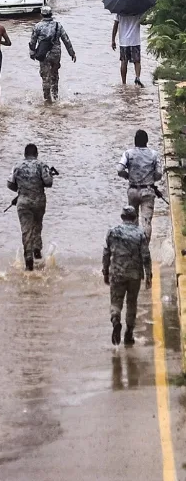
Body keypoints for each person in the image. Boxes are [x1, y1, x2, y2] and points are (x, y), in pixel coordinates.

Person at [103, 205, 151, 346]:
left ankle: (116, 320)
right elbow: (146, 256)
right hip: (134, 275)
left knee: (116, 302)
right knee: (132, 303)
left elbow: (106, 253)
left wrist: (105, 271)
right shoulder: (140, 233)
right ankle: (129, 333)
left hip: (117, 273)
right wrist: (148, 275)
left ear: (122, 217)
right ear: (135, 217)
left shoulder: (112, 232)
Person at [7, 143, 54, 271]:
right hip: (39, 201)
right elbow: (48, 183)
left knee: (26, 230)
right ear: (36, 154)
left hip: (23, 202)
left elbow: (10, 184)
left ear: (25, 154)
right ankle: (37, 253)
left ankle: (28, 260)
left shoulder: (16, 166)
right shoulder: (42, 165)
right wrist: (49, 175)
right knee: (37, 226)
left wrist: (21, 190)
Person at [117, 129, 163, 241]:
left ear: (135, 141)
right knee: (146, 221)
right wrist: (152, 179)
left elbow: (119, 169)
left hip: (132, 190)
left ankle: (133, 245)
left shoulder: (128, 153)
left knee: (132, 221)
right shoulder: (154, 154)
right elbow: (159, 173)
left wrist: (127, 176)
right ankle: (145, 247)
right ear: (147, 141)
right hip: (148, 191)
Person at [29, 5, 76, 102]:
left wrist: (32, 53)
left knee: (45, 77)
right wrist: (72, 53)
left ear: (42, 14)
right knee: (55, 75)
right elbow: (66, 40)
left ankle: (47, 100)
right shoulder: (58, 26)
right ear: (51, 14)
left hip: (43, 54)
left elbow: (32, 42)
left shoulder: (37, 26)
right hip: (56, 55)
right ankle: (55, 97)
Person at [112, 13, 143, 87]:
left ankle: (124, 83)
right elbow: (143, 22)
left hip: (124, 42)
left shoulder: (119, 12)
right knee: (137, 61)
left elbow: (115, 26)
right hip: (135, 41)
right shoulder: (138, 11)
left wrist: (113, 40)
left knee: (124, 62)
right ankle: (137, 78)